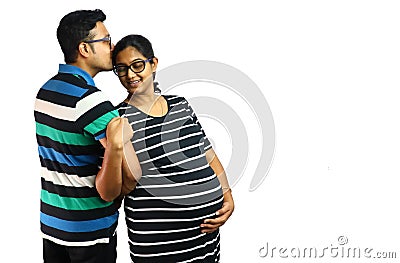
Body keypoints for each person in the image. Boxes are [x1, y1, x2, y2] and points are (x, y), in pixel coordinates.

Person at [112, 34, 235, 262]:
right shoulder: (117, 118)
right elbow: (123, 183)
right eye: (121, 69)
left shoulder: (181, 105)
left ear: (153, 63)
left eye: (137, 65)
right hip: (160, 244)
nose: (130, 75)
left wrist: (227, 195)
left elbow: (207, 154)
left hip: (205, 239)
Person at [34, 10, 141, 263]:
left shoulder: (45, 92)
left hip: (53, 225)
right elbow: (128, 174)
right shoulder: (91, 101)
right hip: (89, 232)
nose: (112, 48)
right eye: (106, 40)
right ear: (84, 48)